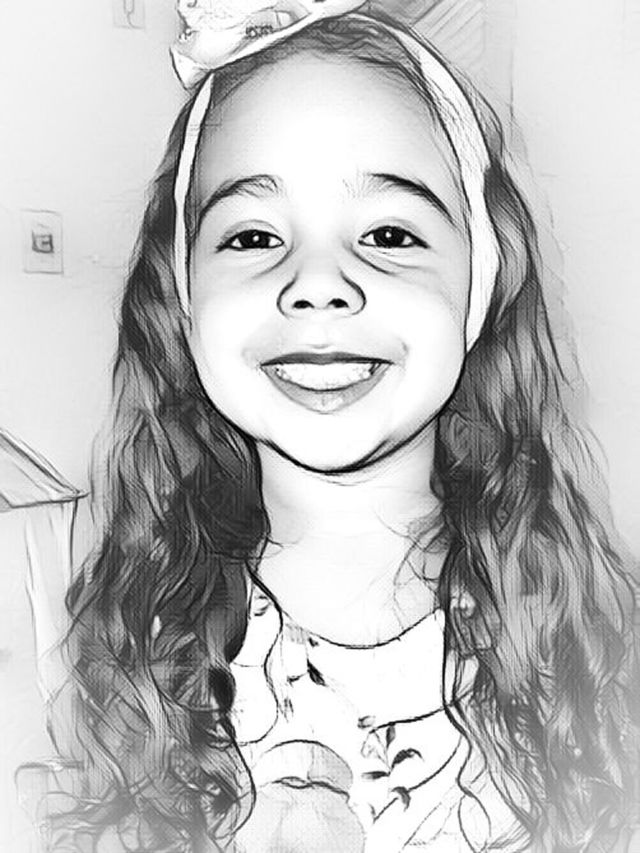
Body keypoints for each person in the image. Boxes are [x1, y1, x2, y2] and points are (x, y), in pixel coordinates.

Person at [24, 2, 639, 851]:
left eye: (388, 233)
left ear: (482, 280)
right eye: (252, 236)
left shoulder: (601, 652)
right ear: (183, 295)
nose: (317, 283)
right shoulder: (81, 613)